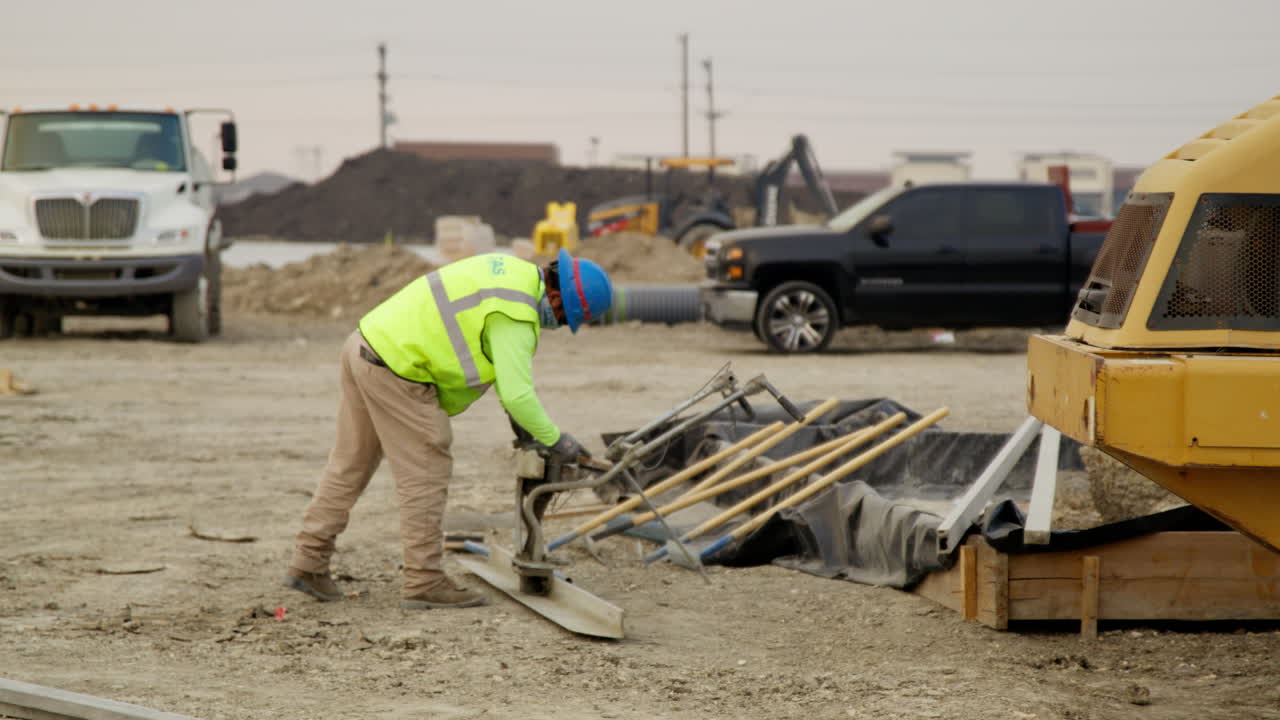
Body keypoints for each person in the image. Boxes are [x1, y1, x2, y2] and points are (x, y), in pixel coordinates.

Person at [283, 249, 612, 609]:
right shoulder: (517, 313)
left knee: (350, 464)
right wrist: (556, 440)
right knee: (427, 466)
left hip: (365, 345)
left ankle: (308, 561)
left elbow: (504, 377)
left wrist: (527, 429)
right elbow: (518, 395)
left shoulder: (509, 274)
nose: (559, 325)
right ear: (556, 297)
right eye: (566, 318)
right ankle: (424, 580)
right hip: (398, 370)